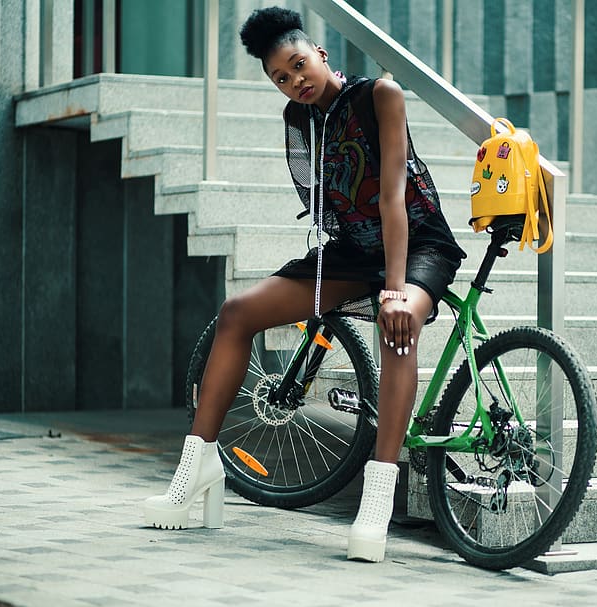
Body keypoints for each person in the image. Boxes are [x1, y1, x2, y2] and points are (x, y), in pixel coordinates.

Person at [143, 7, 466, 563]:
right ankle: (197, 469)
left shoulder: (380, 95)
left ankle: (378, 496)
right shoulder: (300, 117)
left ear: (319, 51)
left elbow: (391, 197)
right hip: (349, 252)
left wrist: (393, 290)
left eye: (298, 65)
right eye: (282, 78)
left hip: (417, 245)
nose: (296, 82)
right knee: (237, 312)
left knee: (400, 327)